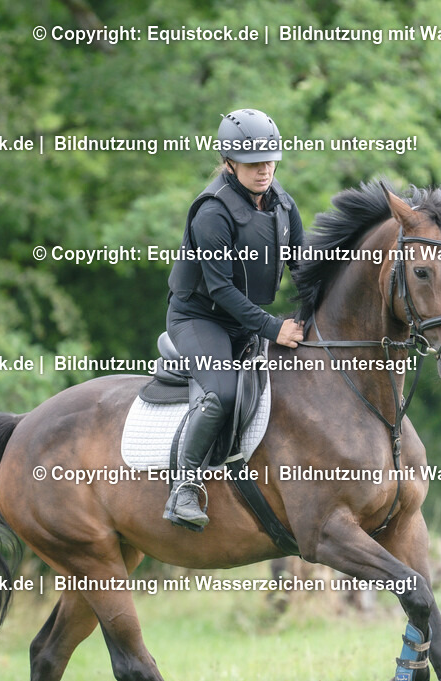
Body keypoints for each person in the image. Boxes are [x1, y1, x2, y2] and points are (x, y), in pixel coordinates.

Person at [163, 108, 305, 530]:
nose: (264, 170)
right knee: (221, 394)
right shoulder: (212, 213)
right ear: (229, 163)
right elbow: (222, 291)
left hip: (249, 319)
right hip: (200, 319)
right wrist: (274, 327)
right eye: (252, 163)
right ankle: (184, 487)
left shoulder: (282, 203)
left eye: (270, 160)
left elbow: (304, 266)